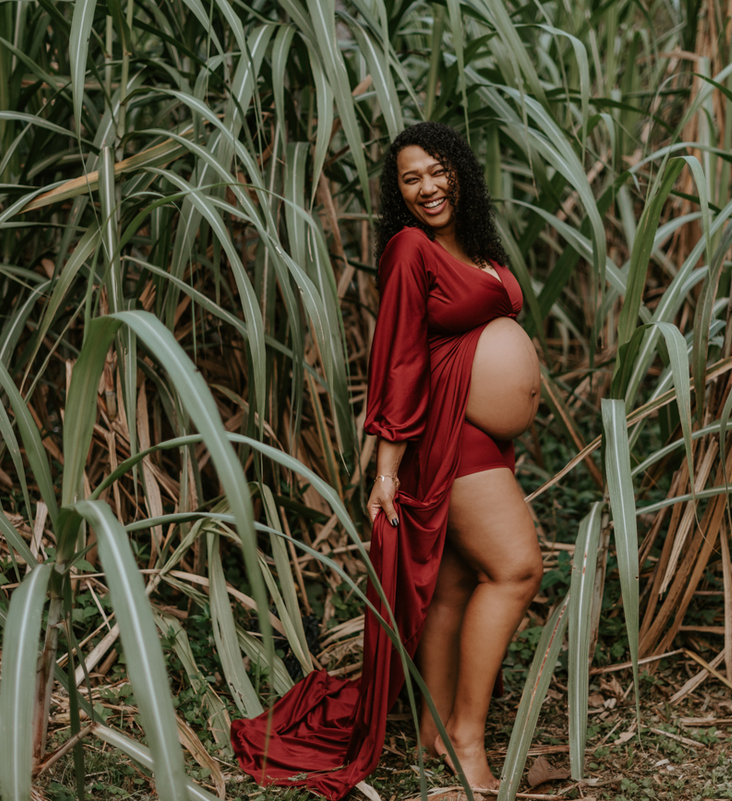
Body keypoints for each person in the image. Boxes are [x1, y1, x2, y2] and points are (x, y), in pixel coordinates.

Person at [229, 121, 544, 798]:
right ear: (397, 192)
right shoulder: (408, 247)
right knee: (517, 568)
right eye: (411, 178)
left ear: (459, 170)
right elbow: (398, 356)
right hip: (445, 432)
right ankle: (465, 735)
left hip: (483, 435)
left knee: (458, 583)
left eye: (437, 171)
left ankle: (433, 729)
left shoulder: (475, 245)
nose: (427, 187)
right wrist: (386, 469)